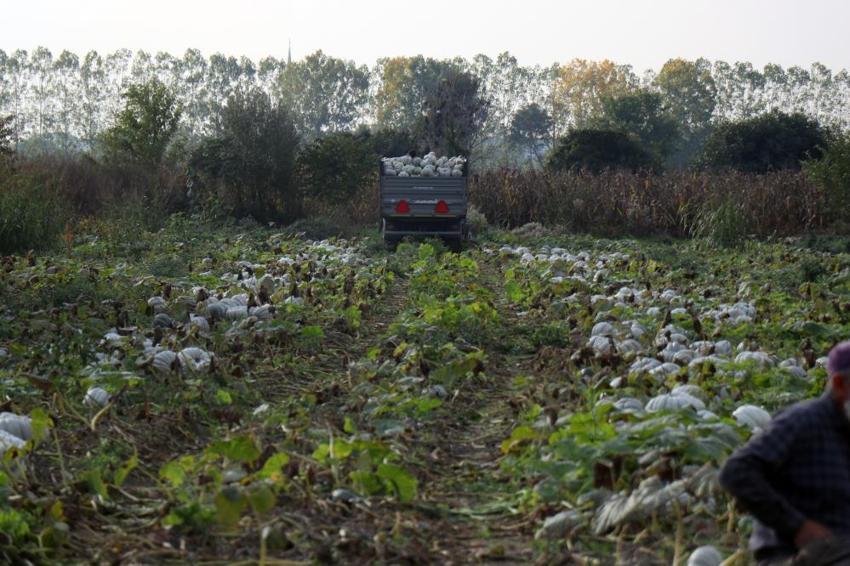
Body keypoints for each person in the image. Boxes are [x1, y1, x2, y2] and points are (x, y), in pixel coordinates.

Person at [719, 341, 850, 565]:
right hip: (794, 554)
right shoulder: (804, 421)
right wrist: (798, 526)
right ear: (839, 384)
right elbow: (736, 471)